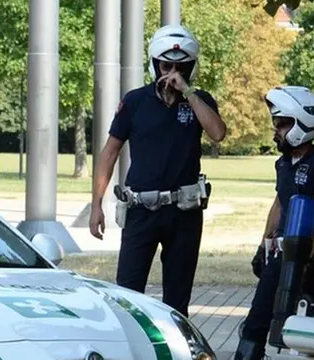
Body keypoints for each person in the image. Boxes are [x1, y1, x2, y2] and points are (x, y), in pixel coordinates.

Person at [88, 23, 227, 317]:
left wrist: (187, 92)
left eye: (181, 67)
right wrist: (96, 205)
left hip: (184, 211)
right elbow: (109, 151)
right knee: (127, 293)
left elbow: (217, 133)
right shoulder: (136, 101)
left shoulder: (199, 100)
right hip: (141, 209)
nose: (173, 73)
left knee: (177, 300)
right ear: (155, 64)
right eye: (167, 65)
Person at [234, 86, 314, 360]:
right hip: (280, 255)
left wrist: (310, 257)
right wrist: (262, 245)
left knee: (306, 328)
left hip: (307, 261)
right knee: (256, 320)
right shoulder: (283, 164)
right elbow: (279, 203)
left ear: (303, 125)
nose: (275, 130)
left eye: (282, 124)